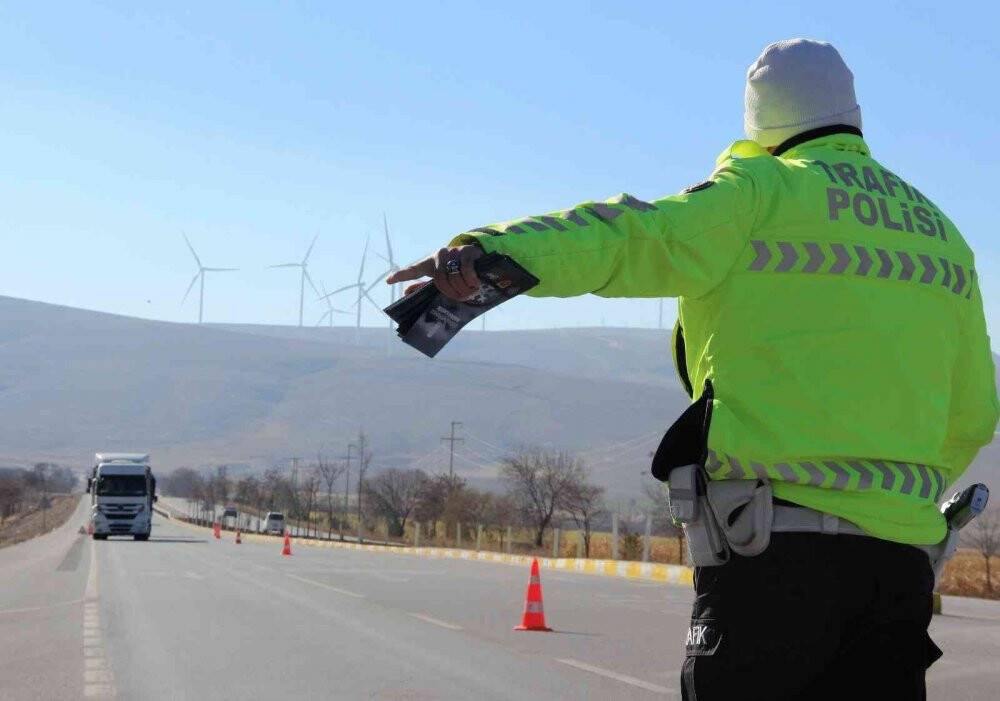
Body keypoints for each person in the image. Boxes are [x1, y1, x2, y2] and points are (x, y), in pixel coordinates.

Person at [388, 39, 999, 699]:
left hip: (770, 558)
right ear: (852, 112)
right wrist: (898, 502)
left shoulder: (759, 194)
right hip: (899, 575)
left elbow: (626, 236)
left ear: (760, 123)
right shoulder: (941, 235)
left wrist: (495, 250)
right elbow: (972, 414)